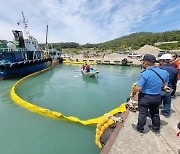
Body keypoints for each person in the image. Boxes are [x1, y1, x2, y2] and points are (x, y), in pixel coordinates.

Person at [133, 54, 169, 134]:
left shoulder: (144, 74)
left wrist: (133, 90)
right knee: (155, 113)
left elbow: (138, 88)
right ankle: (156, 129)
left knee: (142, 114)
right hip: (157, 97)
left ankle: (140, 129)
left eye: (143, 62)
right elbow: (164, 85)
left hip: (145, 97)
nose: (142, 63)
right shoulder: (164, 72)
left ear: (146, 63)